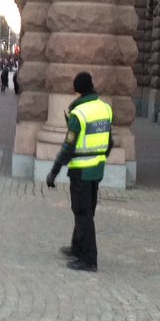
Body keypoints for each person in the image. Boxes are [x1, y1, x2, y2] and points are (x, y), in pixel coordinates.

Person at [45, 71, 114, 272]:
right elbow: (110, 141)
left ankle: (88, 259)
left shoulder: (79, 114)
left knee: (83, 213)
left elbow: (68, 148)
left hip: (81, 171)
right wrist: (100, 157)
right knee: (86, 210)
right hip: (96, 169)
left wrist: (53, 172)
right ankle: (77, 246)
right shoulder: (105, 109)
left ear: (77, 89)